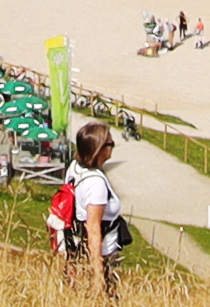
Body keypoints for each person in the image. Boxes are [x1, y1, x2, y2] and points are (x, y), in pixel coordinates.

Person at [50, 119, 128, 291]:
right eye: (110, 143)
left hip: (77, 249)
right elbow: (93, 227)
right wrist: (99, 275)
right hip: (102, 255)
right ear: (100, 149)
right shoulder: (96, 183)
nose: (113, 146)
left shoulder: (75, 168)